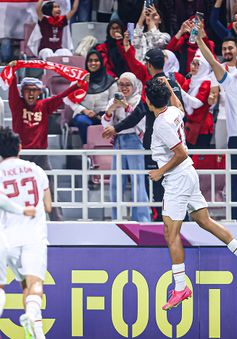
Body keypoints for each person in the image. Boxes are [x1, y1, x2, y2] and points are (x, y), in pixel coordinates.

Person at [145, 77, 237, 311]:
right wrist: (167, 86)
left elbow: (181, 153)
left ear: (148, 102)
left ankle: (180, 287)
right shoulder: (174, 111)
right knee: (203, 220)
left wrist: (159, 172)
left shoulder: (161, 124)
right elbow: (181, 107)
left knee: (170, 233)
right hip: (189, 175)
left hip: (177, 178)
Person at [103, 47, 183, 221]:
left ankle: (155, 221)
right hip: (176, 140)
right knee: (174, 183)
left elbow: (138, 113)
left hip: (157, 141)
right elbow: (181, 110)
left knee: (154, 183)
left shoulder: (153, 85)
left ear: (148, 64)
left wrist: (116, 128)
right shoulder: (174, 83)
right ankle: (178, 221)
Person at [8, 60, 88, 221]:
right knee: (20, 189)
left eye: (35, 91)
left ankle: (57, 219)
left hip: (41, 155)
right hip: (21, 155)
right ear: (22, 92)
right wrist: (13, 71)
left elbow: (61, 96)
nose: (31, 94)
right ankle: (17, 219)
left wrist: (78, 86)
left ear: (40, 92)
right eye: (28, 90)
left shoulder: (44, 105)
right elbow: (11, 89)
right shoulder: (17, 105)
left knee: (49, 187)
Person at [0, 126, 51, 338]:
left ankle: (36, 333)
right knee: (34, 284)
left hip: (5, 237)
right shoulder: (37, 170)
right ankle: (30, 315)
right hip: (33, 236)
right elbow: (48, 206)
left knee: (4, 286)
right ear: (20, 147)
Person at [196, 24, 237, 220]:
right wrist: (198, 41)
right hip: (235, 138)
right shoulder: (231, 79)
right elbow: (212, 62)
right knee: (235, 183)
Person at [102, 72, 150, 222]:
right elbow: (105, 123)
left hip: (134, 140)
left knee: (137, 180)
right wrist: (110, 110)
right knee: (116, 181)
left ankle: (142, 218)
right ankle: (117, 218)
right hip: (119, 141)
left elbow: (139, 122)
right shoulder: (113, 100)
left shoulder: (138, 101)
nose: (123, 88)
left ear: (134, 86)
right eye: (121, 84)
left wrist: (124, 105)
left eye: (127, 85)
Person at [70, 49, 117, 144]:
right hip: (85, 115)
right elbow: (71, 100)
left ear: (101, 62)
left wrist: (106, 114)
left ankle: (107, 151)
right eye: (90, 60)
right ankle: (87, 147)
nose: (93, 63)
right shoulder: (79, 80)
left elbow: (114, 101)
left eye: (96, 60)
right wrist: (84, 111)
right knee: (82, 122)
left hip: (105, 115)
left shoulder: (110, 81)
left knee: (111, 124)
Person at [180, 50, 214, 149]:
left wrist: (180, 90)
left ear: (204, 67)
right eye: (192, 63)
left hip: (203, 127)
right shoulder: (188, 81)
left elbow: (196, 104)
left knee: (200, 159)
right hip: (189, 126)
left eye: (197, 64)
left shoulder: (207, 83)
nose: (193, 66)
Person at [214, 37, 237, 149]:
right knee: (222, 154)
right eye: (224, 49)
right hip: (223, 115)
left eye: (230, 48)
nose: (227, 51)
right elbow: (212, 95)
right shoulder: (218, 69)